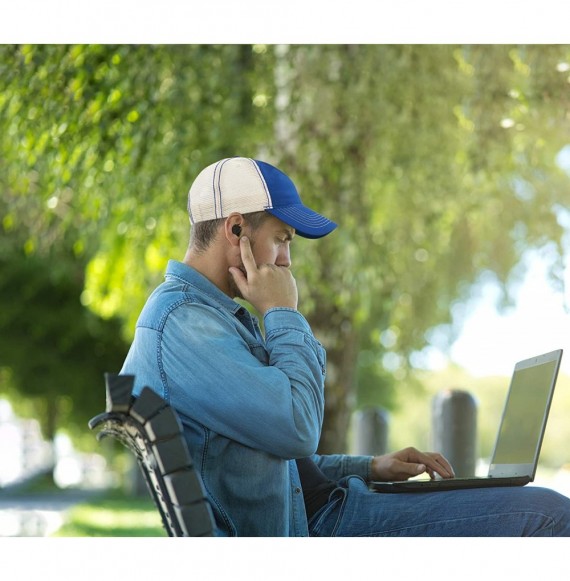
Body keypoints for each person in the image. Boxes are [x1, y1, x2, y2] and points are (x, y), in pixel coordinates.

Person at [120, 156, 570, 536]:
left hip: (325, 512)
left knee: (537, 507)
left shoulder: (206, 319)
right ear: (236, 228)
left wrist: (371, 467)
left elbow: (276, 463)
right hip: (322, 530)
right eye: (281, 238)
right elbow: (298, 428)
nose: (287, 260)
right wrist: (283, 314)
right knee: (548, 515)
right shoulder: (184, 325)